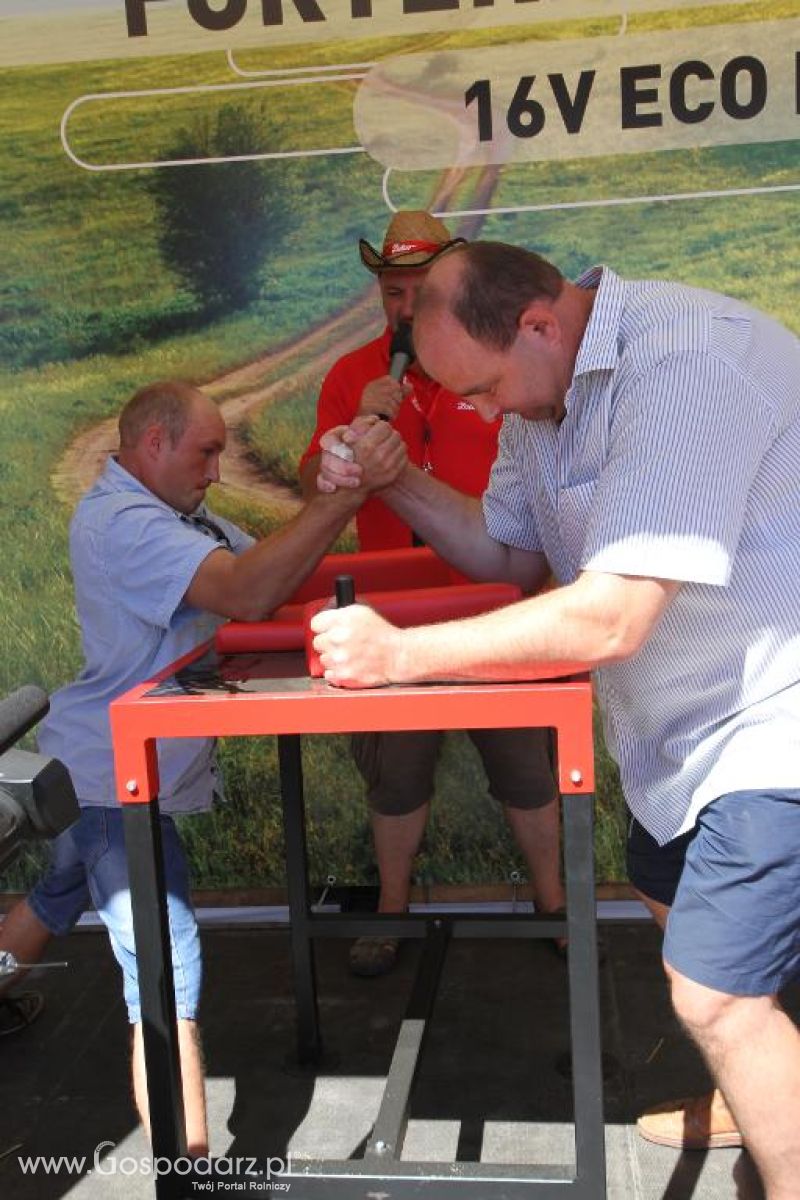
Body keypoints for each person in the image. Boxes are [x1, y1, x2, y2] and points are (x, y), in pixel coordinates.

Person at [309, 241, 800, 1194]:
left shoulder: (688, 360)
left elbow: (611, 614)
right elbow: (505, 554)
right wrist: (396, 477)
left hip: (772, 722)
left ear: (539, 321)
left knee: (718, 995)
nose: (484, 413)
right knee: (701, 938)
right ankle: (767, 1095)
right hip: (678, 743)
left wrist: (401, 659)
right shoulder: (548, 394)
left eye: (485, 389)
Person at [0, 380, 365, 1154]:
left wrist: (328, 512)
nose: (214, 467)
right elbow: (249, 589)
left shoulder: (177, 512)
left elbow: (269, 569)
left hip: (99, 765)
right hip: (110, 779)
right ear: (156, 443)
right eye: (205, 451)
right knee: (167, 976)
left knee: (58, 895)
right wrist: (338, 501)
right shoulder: (126, 521)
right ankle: (187, 1163)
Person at [299, 213, 564, 977]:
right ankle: (391, 909)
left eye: (418, 291)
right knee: (397, 776)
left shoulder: (496, 369)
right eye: (392, 292)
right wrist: (354, 431)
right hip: (389, 619)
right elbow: (311, 486)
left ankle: (554, 905)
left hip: (494, 609)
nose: (404, 308)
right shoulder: (354, 376)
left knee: (526, 770)